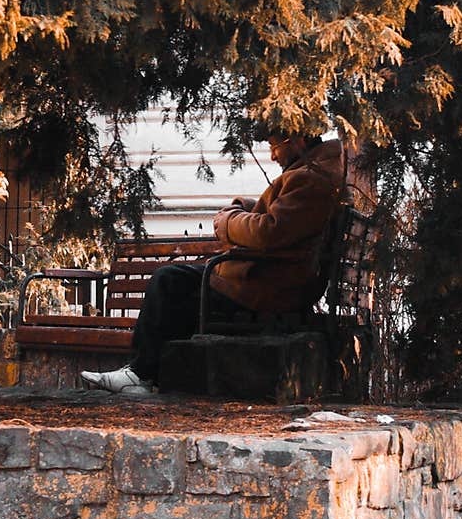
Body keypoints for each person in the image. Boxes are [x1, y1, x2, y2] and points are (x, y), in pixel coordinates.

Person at [80, 127, 345, 397]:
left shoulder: (311, 179)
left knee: (168, 282)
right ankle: (144, 376)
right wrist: (244, 206)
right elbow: (285, 220)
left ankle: (140, 375)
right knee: (177, 285)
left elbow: (270, 230)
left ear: (299, 138)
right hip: (266, 278)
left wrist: (228, 221)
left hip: (264, 286)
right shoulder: (314, 171)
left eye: (275, 144)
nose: (273, 154)